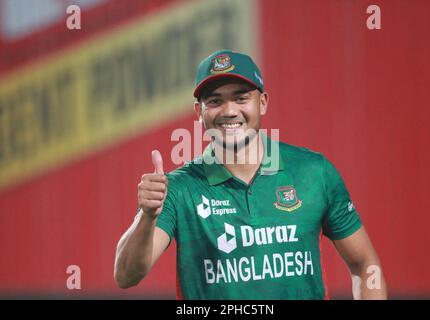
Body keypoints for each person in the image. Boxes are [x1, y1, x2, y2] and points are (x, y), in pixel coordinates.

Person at [114, 49, 387, 299]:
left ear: (263, 103)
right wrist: (147, 217)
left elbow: (365, 264)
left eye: (241, 98)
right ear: (199, 112)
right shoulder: (178, 188)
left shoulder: (314, 171)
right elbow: (127, 275)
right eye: (215, 101)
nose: (230, 111)